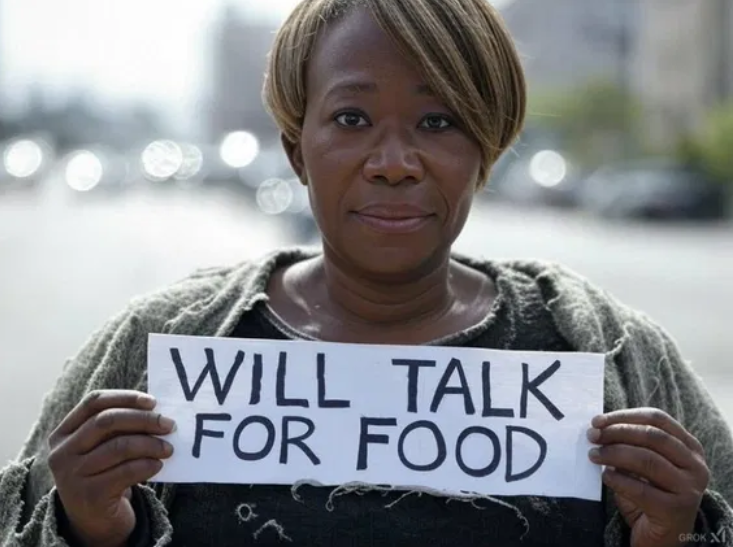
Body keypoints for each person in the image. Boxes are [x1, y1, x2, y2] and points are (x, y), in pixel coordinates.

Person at [2, 0, 732, 545]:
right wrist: (84, 523)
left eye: (437, 122)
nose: (391, 163)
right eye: (351, 119)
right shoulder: (151, 348)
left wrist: (671, 533)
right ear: (296, 150)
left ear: (486, 148)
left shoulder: (611, 357)